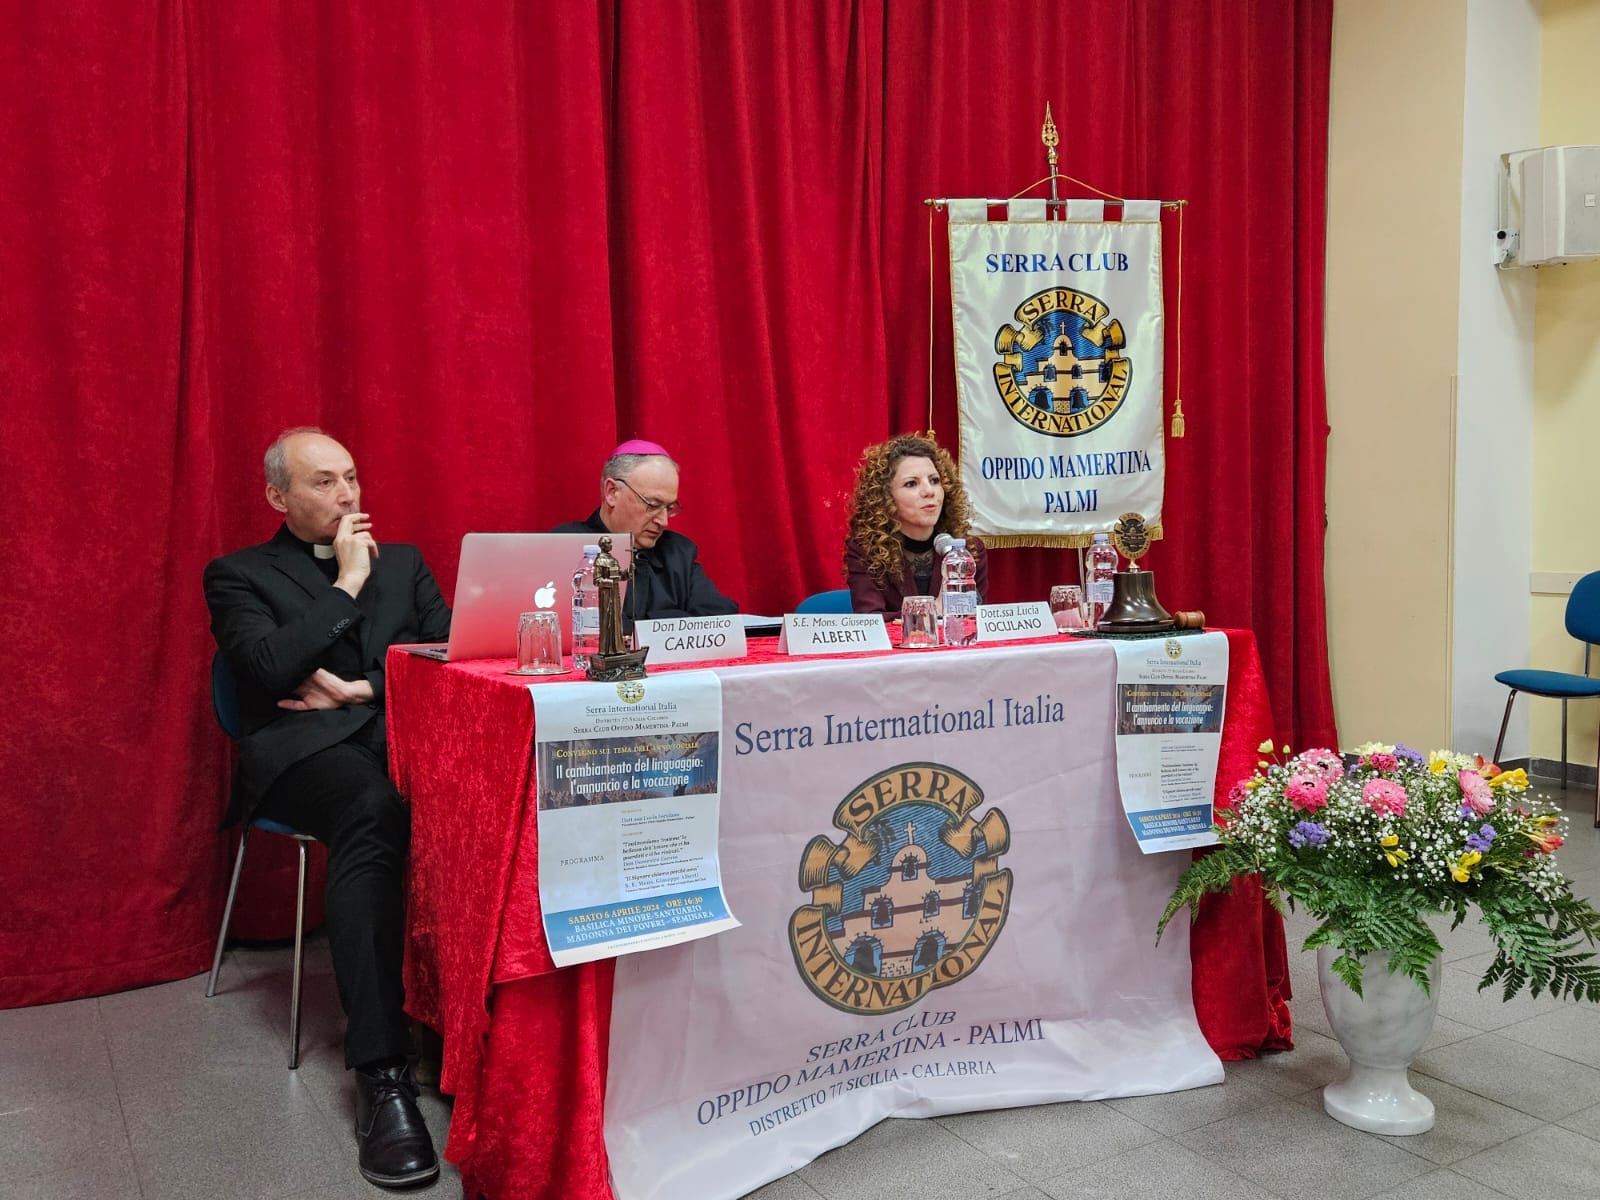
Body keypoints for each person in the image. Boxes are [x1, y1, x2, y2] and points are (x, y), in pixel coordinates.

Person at [203, 428, 450, 1189]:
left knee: (495, 793)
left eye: (351, 478)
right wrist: (346, 583)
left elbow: (452, 655)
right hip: (301, 752)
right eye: (324, 482)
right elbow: (265, 668)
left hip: (395, 729)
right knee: (373, 808)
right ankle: (382, 1073)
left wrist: (359, 689)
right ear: (277, 496)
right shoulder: (238, 574)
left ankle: (467, 1023)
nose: (347, 495)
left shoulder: (405, 562)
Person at [555, 439, 737, 620]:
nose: (663, 521)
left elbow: (720, 615)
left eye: (669, 507)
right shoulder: (562, 547)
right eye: (652, 505)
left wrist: (638, 625)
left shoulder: (678, 552)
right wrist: (672, 620)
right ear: (612, 492)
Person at [843, 433, 989, 614]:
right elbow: (871, 621)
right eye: (911, 484)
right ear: (885, 497)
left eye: (934, 481)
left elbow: (977, 619)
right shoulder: (866, 551)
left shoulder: (969, 550)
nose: (929, 491)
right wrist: (932, 610)